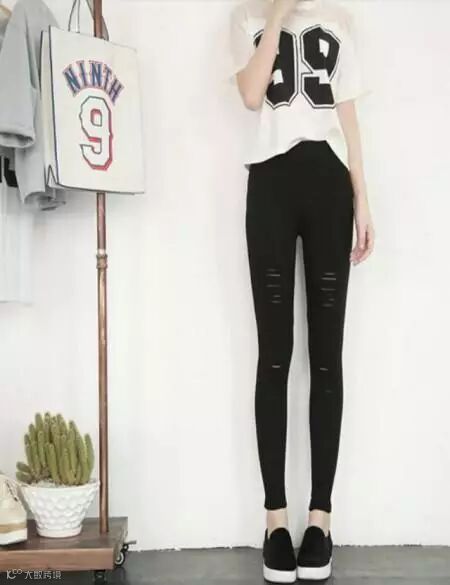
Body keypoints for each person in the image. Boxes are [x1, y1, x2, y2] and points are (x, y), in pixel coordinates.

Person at [229, 0, 374, 581]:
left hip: (329, 186)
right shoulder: (247, 16)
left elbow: (348, 118)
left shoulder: (339, 19)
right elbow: (250, 93)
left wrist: (363, 198)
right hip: (270, 184)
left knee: (326, 357)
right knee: (273, 356)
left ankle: (320, 519)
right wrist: (278, 13)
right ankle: (274, 521)